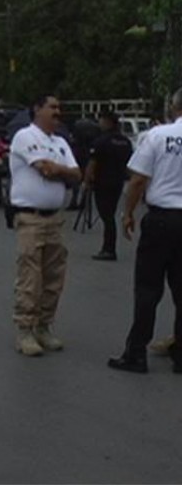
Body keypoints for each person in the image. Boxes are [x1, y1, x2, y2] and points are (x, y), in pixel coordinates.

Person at [108, 88, 182, 374]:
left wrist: (127, 213)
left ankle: (136, 352)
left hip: (161, 220)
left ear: (173, 108)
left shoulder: (157, 136)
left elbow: (138, 180)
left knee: (148, 289)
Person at [8, 94, 81, 356]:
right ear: (37, 109)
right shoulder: (25, 136)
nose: (57, 112)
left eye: (59, 107)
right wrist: (62, 171)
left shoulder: (60, 142)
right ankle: (25, 329)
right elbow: (45, 170)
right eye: (52, 107)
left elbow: (77, 174)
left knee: (53, 277)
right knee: (30, 276)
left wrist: (59, 169)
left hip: (54, 218)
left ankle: (43, 325)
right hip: (31, 218)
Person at [85, 110, 133, 261]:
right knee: (110, 213)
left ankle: (109, 249)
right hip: (118, 182)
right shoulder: (125, 141)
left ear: (107, 122)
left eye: (101, 120)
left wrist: (86, 182)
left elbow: (92, 164)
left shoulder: (101, 141)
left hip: (102, 182)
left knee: (107, 216)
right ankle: (109, 247)